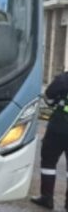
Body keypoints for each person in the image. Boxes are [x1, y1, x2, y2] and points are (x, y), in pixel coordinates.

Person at [31, 72, 68, 210]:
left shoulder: (64, 78)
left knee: (48, 162)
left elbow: (48, 96)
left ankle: (47, 198)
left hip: (59, 128)